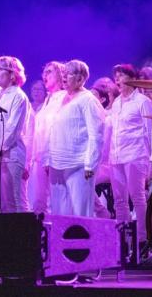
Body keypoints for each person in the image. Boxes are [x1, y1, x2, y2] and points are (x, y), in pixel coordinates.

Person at [46, 60, 105, 217]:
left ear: (80, 79)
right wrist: (48, 159)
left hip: (78, 165)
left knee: (81, 213)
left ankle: (83, 242)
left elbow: (96, 135)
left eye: (68, 74)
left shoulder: (88, 100)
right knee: (59, 214)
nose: (64, 77)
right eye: (63, 74)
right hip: (57, 164)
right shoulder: (61, 98)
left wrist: (90, 165)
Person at [109, 64, 152, 247]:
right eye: (116, 76)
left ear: (131, 78)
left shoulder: (143, 102)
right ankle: (124, 240)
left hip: (136, 155)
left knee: (137, 196)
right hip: (116, 156)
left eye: (121, 76)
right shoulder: (116, 103)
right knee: (119, 199)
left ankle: (142, 238)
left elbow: (149, 132)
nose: (117, 80)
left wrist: (150, 161)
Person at [0, 56, 33, 212]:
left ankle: (27, 235)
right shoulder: (3, 96)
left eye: (0, 70)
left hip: (13, 154)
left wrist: (0, 148)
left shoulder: (18, 96)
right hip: (2, 154)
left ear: (12, 74)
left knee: (18, 199)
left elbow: (13, 128)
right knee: (7, 201)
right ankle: (13, 235)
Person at [29, 61, 65, 214]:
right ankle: (40, 235)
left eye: (50, 72)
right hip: (39, 156)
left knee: (57, 199)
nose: (45, 75)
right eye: (45, 72)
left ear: (60, 75)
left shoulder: (64, 97)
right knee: (38, 201)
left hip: (54, 155)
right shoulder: (46, 101)